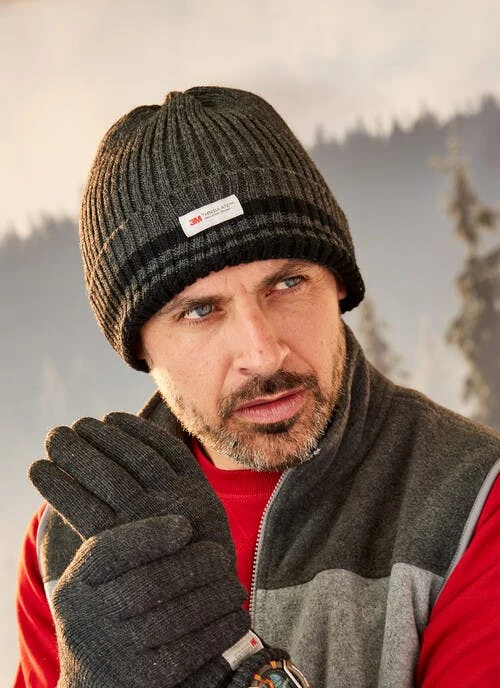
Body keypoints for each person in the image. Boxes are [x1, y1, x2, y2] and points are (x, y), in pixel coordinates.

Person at [13, 86, 500, 688]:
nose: (263, 352)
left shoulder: (473, 504)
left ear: (339, 286)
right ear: (140, 347)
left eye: (288, 283)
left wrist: (233, 668)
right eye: (200, 311)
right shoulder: (68, 541)